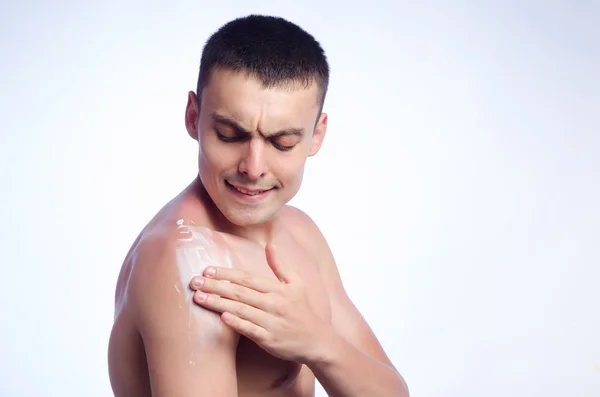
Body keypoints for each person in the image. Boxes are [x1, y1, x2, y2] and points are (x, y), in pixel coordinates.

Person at [108, 14, 409, 397]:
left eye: (282, 142)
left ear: (316, 136)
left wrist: (318, 344)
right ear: (193, 117)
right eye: (230, 135)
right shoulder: (186, 262)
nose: (253, 168)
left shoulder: (301, 232)